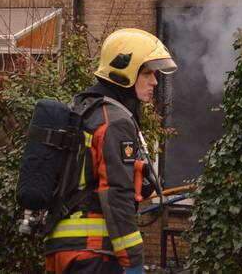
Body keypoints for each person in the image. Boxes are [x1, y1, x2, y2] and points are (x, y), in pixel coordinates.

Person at [44, 28, 177, 274]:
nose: (155, 82)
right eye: (147, 73)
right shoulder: (114, 121)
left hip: (63, 250)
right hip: (92, 252)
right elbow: (116, 194)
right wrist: (134, 262)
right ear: (124, 72)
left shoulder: (85, 110)